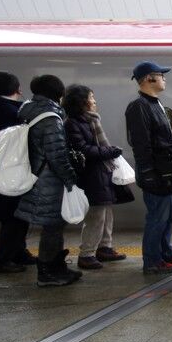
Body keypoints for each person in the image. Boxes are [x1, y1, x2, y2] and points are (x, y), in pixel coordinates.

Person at [14, 75, 82, 286]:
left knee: (53, 226)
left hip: (37, 178)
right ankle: (47, 272)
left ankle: (56, 267)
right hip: (48, 182)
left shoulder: (28, 111)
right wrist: (71, 179)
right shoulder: (50, 118)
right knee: (52, 227)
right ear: (58, 93)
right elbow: (56, 154)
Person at [125, 61, 172, 274]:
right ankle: (152, 260)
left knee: (168, 213)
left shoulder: (155, 104)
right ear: (149, 79)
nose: (164, 79)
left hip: (166, 173)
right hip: (156, 174)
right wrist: (149, 174)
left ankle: (165, 252)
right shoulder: (139, 107)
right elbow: (141, 144)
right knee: (157, 216)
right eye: (161, 75)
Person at [0, 72, 36, 274]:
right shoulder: (10, 111)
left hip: (2, 170)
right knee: (15, 216)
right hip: (13, 170)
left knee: (15, 215)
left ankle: (19, 253)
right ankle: (1, 261)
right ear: (18, 88)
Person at [63, 85, 128, 270]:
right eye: (91, 97)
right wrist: (109, 151)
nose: (94, 101)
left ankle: (104, 247)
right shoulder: (72, 123)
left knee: (106, 213)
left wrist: (107, 152)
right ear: (82, 102)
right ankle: (87, 254)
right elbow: (83, 150)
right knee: (96, 216)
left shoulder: (89, 120)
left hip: (101, 173)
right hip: (90, 176)